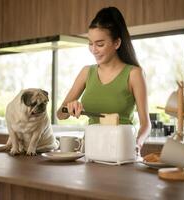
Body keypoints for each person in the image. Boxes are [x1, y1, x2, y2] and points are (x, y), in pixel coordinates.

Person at [56, 7, 151, 153]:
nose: (94, 50)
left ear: (117, 43)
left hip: (121, 150)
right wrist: (70, 107)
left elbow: (146, 124)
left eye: (100, 44)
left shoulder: (134, 74)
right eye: (90, 43)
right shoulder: (86, 72)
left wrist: (137, 143)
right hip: (90, 151)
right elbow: (60, 114)